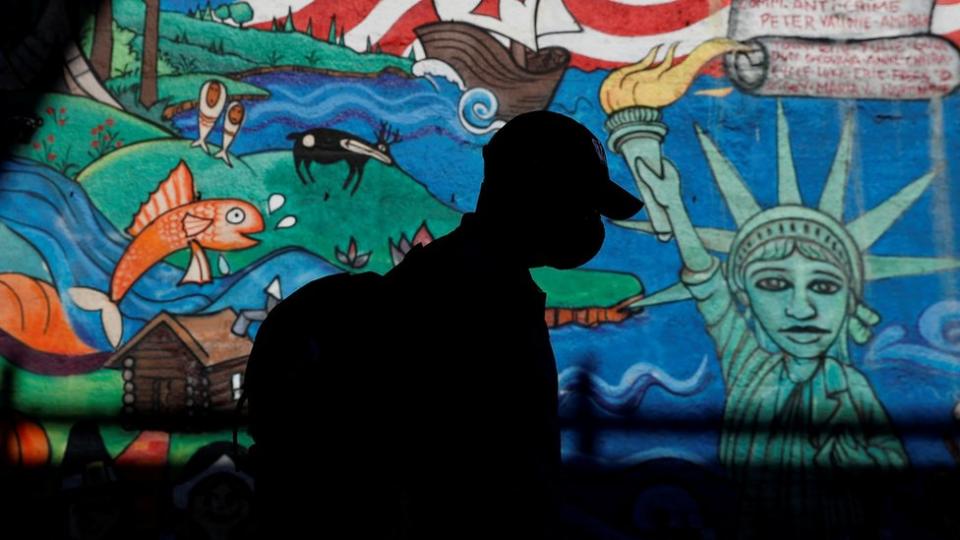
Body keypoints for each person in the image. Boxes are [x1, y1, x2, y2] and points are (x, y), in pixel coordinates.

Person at [244, 110, 642, 539]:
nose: (588, 222)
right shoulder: (467, 302)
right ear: (535, 190)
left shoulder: (469, 283)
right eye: (580, 202)